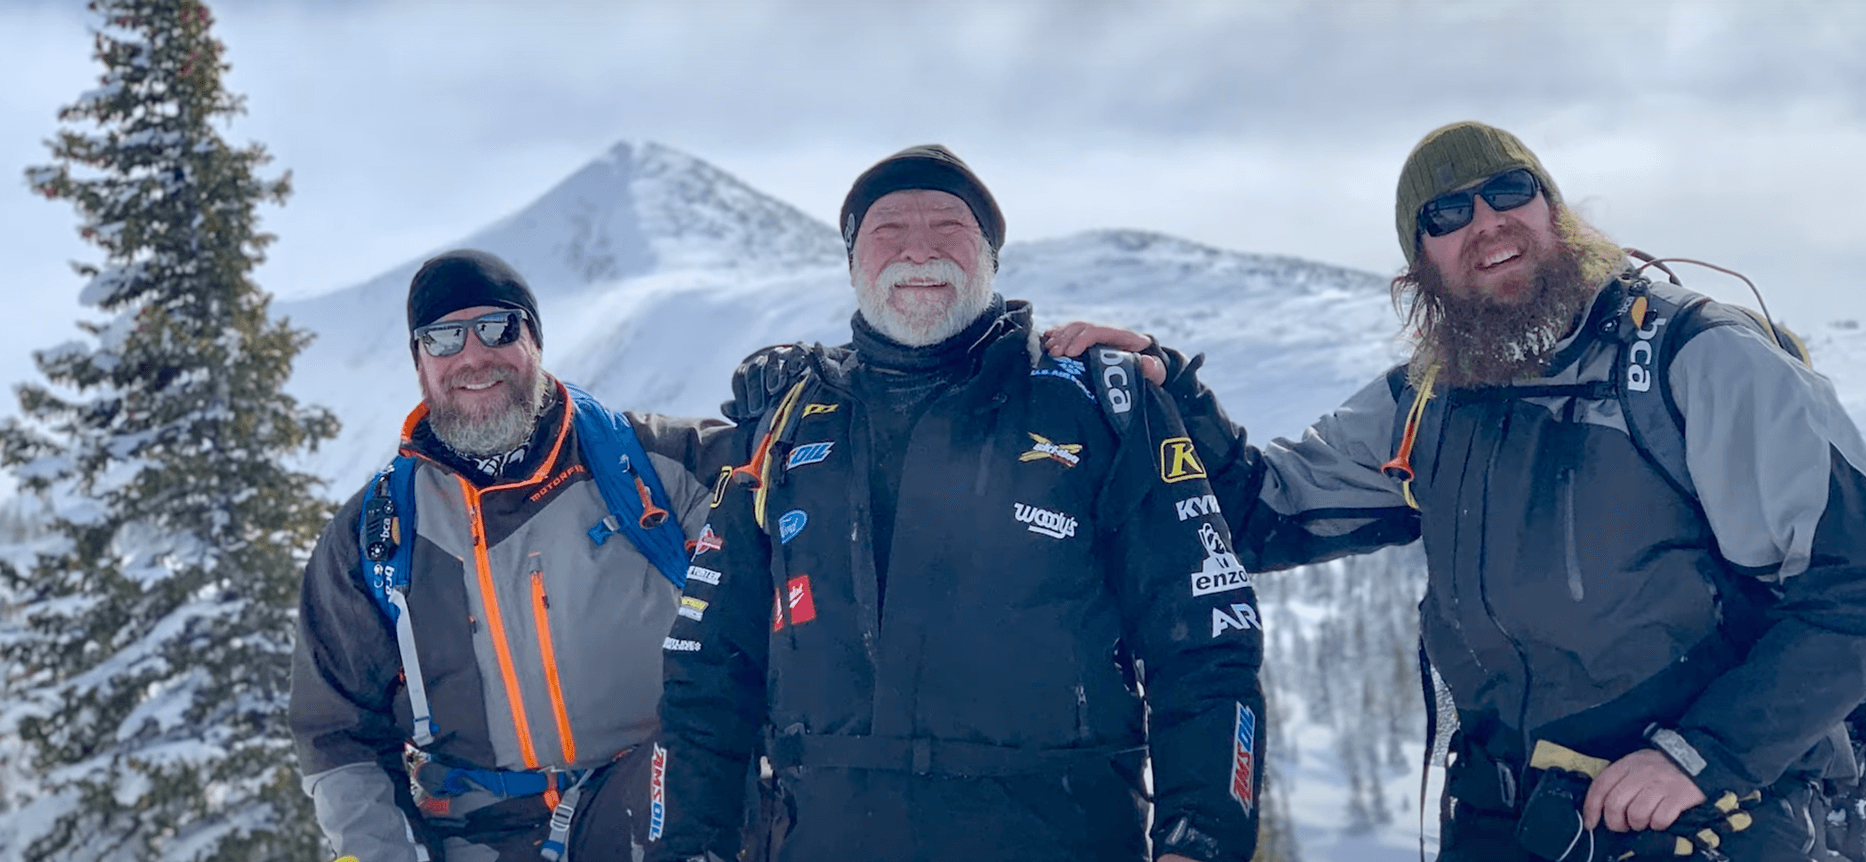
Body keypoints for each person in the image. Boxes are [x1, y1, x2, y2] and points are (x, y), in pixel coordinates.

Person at [1047, 121, 1866, 861]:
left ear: (1553, 210)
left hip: (1708, 817)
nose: (1488, 222)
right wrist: (1168, 390)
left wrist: (1702, 756)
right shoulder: (1431, 400)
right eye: (1447, 213)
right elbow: (1260, 513)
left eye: (1509, 191)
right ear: (1419, 260)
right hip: (1510, 820)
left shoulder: (1694, 361)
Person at [646, 145, 1266, 862]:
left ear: (991, 260)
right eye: (887, 232)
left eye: (949, 228)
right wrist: (686, 845)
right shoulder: (786, 424)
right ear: (853, 264)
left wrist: (1203, 841)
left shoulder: (1098, 405)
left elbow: (1206, 642)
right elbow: (705, 674)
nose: (919, 250)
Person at [290, 249, 734, 862]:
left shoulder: (664, 465)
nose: (473, 355)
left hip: (654, 804)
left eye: (497, 327)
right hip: (477, 831)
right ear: (420, 363)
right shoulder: (375, 534)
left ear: (534, 342)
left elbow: (810, 494)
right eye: (443, 337)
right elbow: (338, 733)